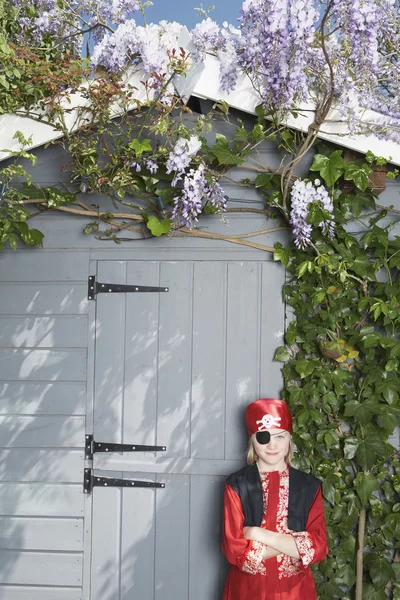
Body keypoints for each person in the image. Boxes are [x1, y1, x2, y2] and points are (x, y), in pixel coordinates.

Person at [222, 398, 328, 600]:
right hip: (248, 590)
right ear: (252, 439)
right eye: (263, 438)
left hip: (295, 591)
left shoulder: (309, 486)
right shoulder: (237, 484)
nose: (272, 445)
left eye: (280, 437)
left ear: (290, 439)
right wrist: (294, 544)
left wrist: (257, 533)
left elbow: (317, 547)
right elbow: (235, 550)